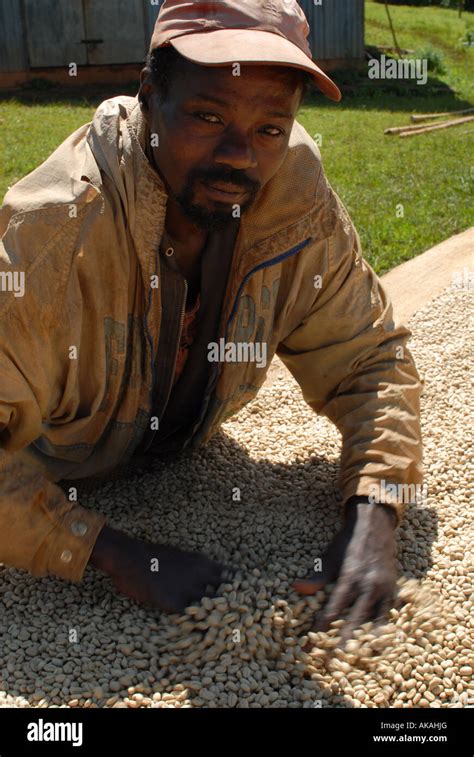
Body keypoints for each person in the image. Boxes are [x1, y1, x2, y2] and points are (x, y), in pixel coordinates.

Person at [0, 0, 423, 644]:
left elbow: (371, 359)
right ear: (149, 96)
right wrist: (107, 552)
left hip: (182, 454)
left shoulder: (293, 200)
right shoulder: (55, 235)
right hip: (55, 472)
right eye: (207, 116)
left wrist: (376, 514)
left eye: (270, 129)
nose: (239, 157)